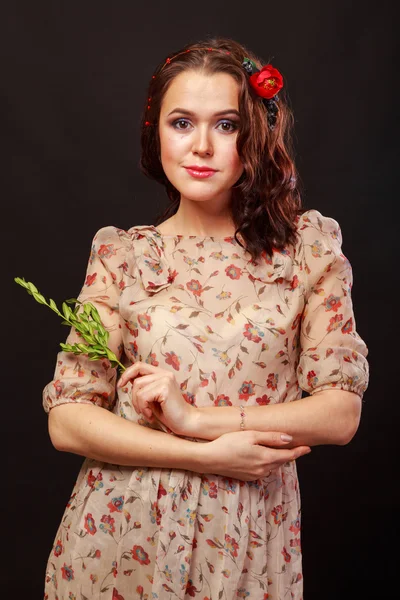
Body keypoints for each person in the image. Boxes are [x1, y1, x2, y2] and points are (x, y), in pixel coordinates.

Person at [42, 37, 369, 600]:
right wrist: (201, 454)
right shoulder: (124, 257)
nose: (200, 147)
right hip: (121, 536)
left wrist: (195, 419)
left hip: (247, 539)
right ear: (156, 134)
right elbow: (67, 419)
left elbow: (339, 413)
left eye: (225, 125)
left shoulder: (309, 250)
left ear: (256, 135)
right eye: (181, 123)